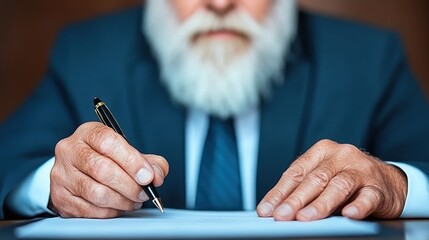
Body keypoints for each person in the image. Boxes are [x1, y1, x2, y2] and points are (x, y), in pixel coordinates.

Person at [1, 0, 429, 221]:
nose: (221, 3)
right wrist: (57, 185)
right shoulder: (86, 54)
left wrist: (394, 184)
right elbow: (9, 164)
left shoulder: (370, 59)